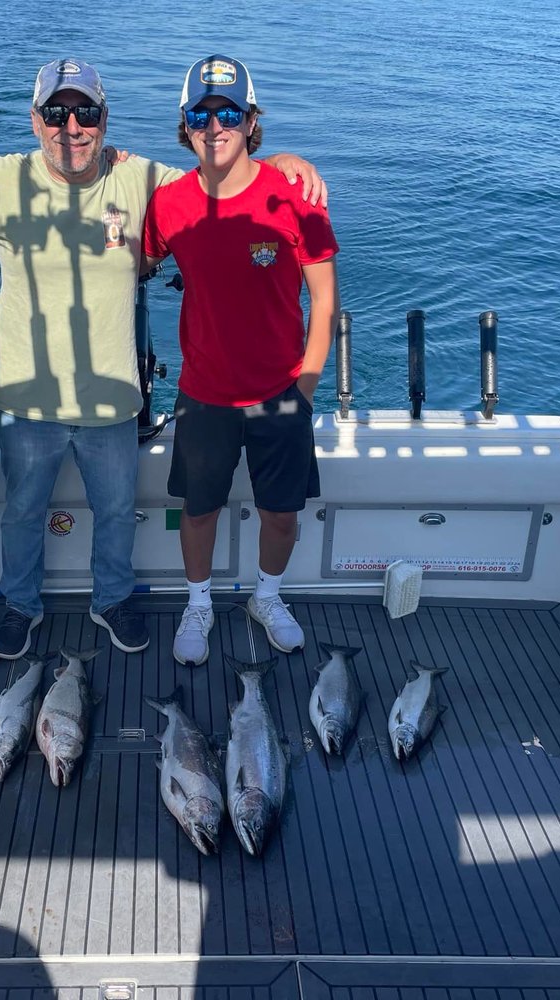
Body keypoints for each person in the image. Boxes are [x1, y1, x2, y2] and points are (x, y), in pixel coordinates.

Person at [0, 59, 325, 661]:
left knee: (114, 513)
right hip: (27, 397)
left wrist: (286, 163)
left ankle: (111, 601)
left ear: (104, 121)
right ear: (35, 120)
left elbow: (220, 171)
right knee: (24, 513)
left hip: (112, 394)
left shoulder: (141, 180)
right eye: (56, 112)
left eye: (86, 113)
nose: (70, 126)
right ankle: (21, 606)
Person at [142, 56, 340, 666]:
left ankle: (268, 595)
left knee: (281, 517)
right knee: (196, 512)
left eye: (228, 112)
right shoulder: (169, 203)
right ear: (184, 126)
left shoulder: (294, 194)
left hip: (281, 390)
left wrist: (304, 387)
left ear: (252, 122)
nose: (214, 125)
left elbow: (325, 298)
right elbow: (132, 263)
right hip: (204, 391)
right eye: (200, 114)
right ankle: (198, 603)